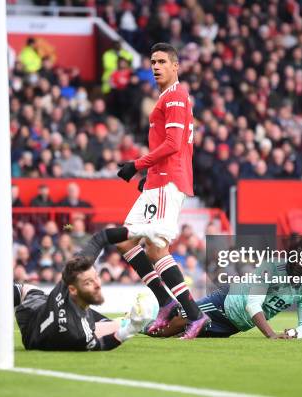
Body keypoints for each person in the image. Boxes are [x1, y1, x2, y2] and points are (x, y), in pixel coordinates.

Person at [112, 42, 209, 338]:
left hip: (169, 179)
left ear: (175, 66)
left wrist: (137, 164)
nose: (156, 66)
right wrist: (148, 174)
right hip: (158, 178)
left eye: (162, 61)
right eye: (153, 61)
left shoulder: (177, 96)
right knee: (126, 241)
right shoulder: (167, 97)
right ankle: (166, 302)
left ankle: (194, 315)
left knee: (156, 247)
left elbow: (173, 144)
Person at [0, 256, 154, 351]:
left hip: (37, 315)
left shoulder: (68, 298)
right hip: (36, 333)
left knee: (22, 289)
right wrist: (130, 326)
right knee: (103, 326)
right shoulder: (86, 327)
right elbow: (103, 340)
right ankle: (138, 324)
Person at [145, 237, 302, 339]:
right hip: (225, 303)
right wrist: (272, 335)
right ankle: (141, 321)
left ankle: (143, 320)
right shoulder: (272, 267)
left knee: (179, 335)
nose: (301, 262)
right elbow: (252, 305)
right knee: (179, 321)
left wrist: (294, 334)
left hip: (233, 326)